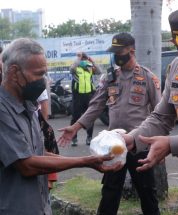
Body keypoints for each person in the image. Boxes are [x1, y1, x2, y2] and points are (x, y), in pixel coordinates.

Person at [0, 38, 122, 215]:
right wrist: (84, 162)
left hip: (39, 207)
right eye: (38, 74)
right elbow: (27, 165)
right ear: (13, 72)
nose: (44, 81)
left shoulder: (28, 105)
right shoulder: (3, 111)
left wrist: (89, 159)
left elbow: (38, 154)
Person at [121, 4, 178, 215]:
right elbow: (162, 116)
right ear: (175, 43)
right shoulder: (177, 68)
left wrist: (173, 144)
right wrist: (134, 138)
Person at [58, 33, 161, 215]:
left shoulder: (147, 77)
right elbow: (95, 106)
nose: (115, 55)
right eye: (113, 52)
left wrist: (157, 143)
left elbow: (159, 113)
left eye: (119, 51)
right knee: (110, 192)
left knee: (147, 192)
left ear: (131, 51)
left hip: (140, 144)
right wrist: (75, 127)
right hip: (113, 146)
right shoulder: (109, 78)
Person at [70, 52, 101, 146]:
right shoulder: (76, 68)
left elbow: (99, 71)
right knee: (75, 117)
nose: (83, 60)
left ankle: (89, 137)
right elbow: (71, 69)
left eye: (84, 59)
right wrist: (78, 58)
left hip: (89, 96)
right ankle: (74, 138)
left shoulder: (89, 68)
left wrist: (92, 60)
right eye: (82, 59)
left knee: (89, 117)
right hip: (77, 96)